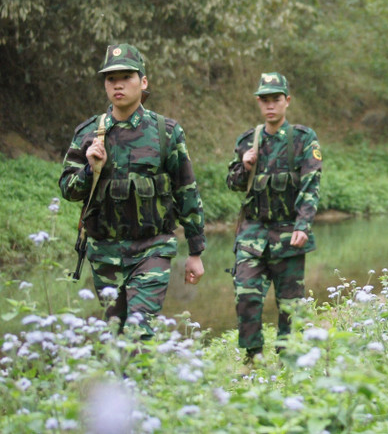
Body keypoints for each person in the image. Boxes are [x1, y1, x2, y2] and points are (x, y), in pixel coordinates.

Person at [59, 44, 206, 337]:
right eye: (111, 78)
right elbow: (68, 189)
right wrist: (89, 169)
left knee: (139, 331)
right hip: (104, 254)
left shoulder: (166, 132)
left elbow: (186, 190)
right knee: (116, 335)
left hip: (152, 249)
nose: (118, 84)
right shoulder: (88, 134)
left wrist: (195, 251)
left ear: (143, 81)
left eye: (127, 77)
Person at [226, 72, 322, 364]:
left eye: (276, 99)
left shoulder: (302, 139)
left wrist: (303, 225)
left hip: (288, 233)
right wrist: (244, 167)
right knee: (246, 295)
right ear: (258, 102)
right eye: (264, 100)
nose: (270, 105)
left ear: (287, 101)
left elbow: (310, 185)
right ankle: (252, 356)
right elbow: (232, 183)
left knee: (290, 304)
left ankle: (287, 357)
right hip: (252, 234)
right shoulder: (247, 141)